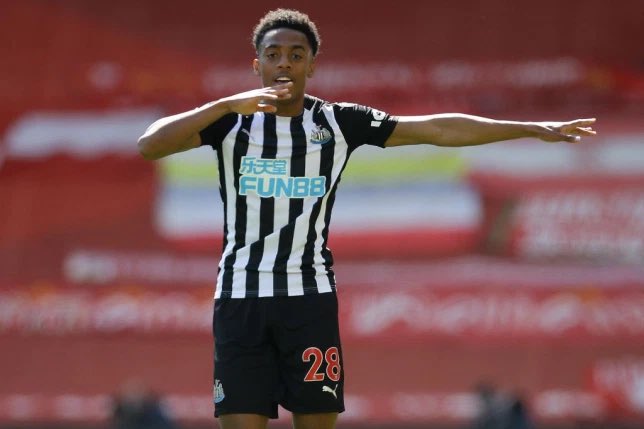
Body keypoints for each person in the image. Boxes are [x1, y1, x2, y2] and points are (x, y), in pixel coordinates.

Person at [137, 9, 596, 429]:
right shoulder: (229, 124)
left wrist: (529, 128)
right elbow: (150, 145)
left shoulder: (337, 123)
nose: (284, 64)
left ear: (312, 66)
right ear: (256, 65)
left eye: (296, 55)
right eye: (273, 55)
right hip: (241, 298)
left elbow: (435, 128)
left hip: (309, 298)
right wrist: (222, 105)